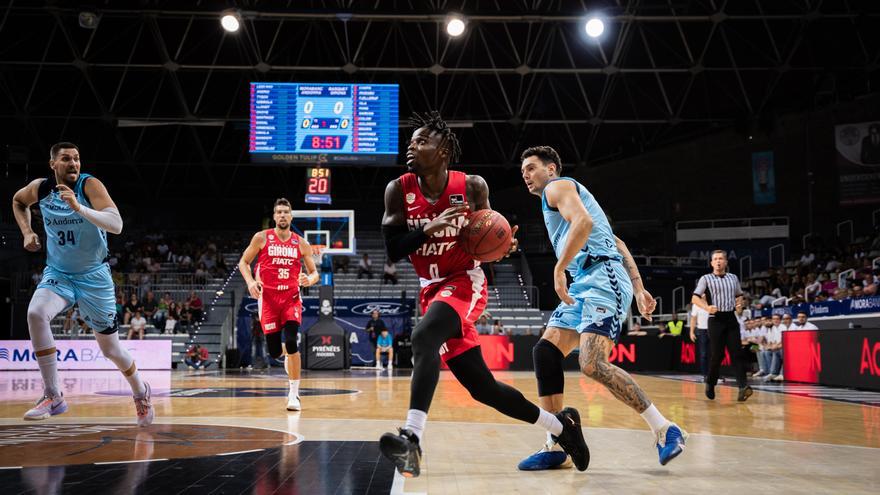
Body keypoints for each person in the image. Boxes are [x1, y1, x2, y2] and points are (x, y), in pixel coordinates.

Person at [378, 112, 587, 477]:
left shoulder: (471, 186)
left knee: (423, 337)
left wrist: (501, 247)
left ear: (443, 150)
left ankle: (411, 439)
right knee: (483, 388)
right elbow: (394, 250)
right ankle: (561, 427)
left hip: (464, 280)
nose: (412, 146)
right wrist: (430, 228)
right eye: (411, 141)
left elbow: (489, 234)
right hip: (431, 289)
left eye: (421, 141)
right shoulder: (399, 189)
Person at [517, 145, 685, 471]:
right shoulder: (564, 196)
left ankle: (665, 428)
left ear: (551, 169)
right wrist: (638, 287)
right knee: (545, 352)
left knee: (592, 364)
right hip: (589, 281)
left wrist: (558, 268)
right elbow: (617, 242)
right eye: (522, 170)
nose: (525, 173)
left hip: (602, 279)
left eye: (531, 167)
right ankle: (557, 442)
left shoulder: (557, 187)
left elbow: (583, 224)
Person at [11, 142, 153, 425]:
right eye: (66, 159)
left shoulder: (89, 185)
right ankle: (54, 394)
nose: (74, 163)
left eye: (76, 158)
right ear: (53, 164)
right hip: (59, 273)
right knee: (36, 313)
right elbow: (17, 201)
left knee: (110, 350)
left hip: (94, 277)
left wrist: (78, 208)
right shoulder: (40, 189)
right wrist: (27, 232)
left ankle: (140, 391)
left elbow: (116, 225)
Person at [239, 198, 319, 411]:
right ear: (274, 217)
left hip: (291, 299)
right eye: (279, 212)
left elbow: (314, 273)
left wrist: (308, 280)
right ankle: (288, 357)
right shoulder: (261, 238)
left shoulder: (301, 243)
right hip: (268, 301)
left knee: (292, 342)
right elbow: (243, 262)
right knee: (275, 352)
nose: (283, 215)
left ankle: (294, 395)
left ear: (291, 216)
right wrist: (250, 282)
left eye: (286, 212)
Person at [692, 250, 752, 402]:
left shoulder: (733, 278)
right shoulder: (706, 278)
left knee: (737, 353)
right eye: (715, 259)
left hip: (731, 317)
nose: (718, 261)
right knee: (717, 356)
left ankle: (743, 387)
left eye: (721, 259)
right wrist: (707, 308)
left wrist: (739, 304)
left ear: (726, 262)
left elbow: (739, 295)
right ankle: (710, 383)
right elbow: (694, 298)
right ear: (711, 263)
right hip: (715, 319)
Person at [689, 296, 711, 381]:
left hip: (712, 330)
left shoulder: (712, 302)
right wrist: (691, 332)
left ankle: (714, 373)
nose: (704, 295)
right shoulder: (696, 305)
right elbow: (693, 319)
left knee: (714, 353)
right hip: (701, 331)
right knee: (703, 354)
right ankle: (704, 374)